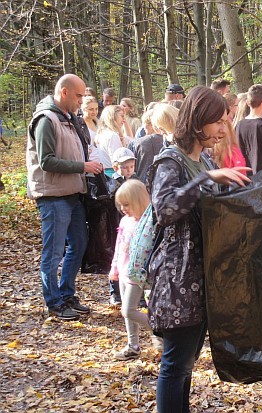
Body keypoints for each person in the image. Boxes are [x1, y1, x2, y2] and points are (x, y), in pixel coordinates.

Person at [147, 85, 250, 413]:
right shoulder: (170, 160)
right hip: (178, 278)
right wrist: (206, 179)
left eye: (226, 121)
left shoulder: (203, 158)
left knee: (186, 362)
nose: (224, 129)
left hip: (202, 275)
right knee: (176, 364)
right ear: (197, 121)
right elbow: (163, 210)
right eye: (218, 121)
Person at [27, 74, 102, 320]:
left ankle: (67, 293)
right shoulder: (46, 120)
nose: (82, 101)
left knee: (79, 244)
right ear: (65, 92)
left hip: (73, 193)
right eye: (79, 96)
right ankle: (54, 301)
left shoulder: (68, 118)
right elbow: (46, 161)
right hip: (52, 195)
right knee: (54, 251)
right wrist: (83, 166)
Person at [109, 179, 161, 360]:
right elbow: (118, 245)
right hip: (124, 272)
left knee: (129, 310)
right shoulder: (125, 221)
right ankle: (133, 345)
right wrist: (114, 267)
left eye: (127, 204)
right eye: (120, 205)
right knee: (127, 312)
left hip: (139, 275)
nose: (123, 208)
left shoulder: (150, 223)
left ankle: (161, 332)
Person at [94, 105, 131, 178]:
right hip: (114, 176)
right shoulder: (113, 136)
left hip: (106, 175)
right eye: (121, 116)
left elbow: (130, 139)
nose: (124, 120)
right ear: (113, 117)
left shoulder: (102, 133)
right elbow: (117, 161)